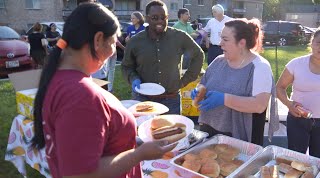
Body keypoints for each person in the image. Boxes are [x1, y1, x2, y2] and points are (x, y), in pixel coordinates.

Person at [32, 3, 176, 178]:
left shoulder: (60, 77)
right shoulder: (80, 95)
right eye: (114, 42)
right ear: (98, 40)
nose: (115, 49)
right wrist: (139, 155)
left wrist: (130, 142)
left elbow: (87, 144)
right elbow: (79, 176)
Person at [191, 18, 279, 146]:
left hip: (240, 137)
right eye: (221, 38)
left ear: (242, 43)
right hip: (209, 130)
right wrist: (199, 90)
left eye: (225, 40)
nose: (220, 44)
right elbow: (204, 83)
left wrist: (224, 99)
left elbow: (259, 105)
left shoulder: (259, 67)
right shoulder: (219, 61)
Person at [122, 0, 204, 115]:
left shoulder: (179, 37)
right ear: (146, 18)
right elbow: (127, 66)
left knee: (171, 131)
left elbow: (198, 55)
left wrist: (185, 80)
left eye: (163, 17)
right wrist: (133, 78)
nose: (160, 21)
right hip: (143, 99)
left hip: (171, 99)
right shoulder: (135, 41)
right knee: (143, 131)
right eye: (155, 18)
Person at [276, 28, 320, 158]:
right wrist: (289, 105)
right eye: (319, 43)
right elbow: (279, 88)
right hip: (298, 120)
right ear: (311, 43)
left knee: (317, 161)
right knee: (296, 159)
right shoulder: (296, 64)